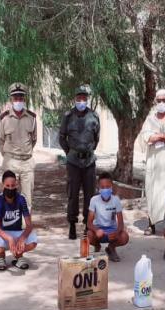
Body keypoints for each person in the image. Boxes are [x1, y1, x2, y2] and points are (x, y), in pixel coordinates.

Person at [59, 84, 100, 239]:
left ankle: (87, 224)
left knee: (90, 195)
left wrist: (88, 150)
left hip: (89, 161)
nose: (81, 100)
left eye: (84, 98)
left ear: (87, 99)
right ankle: (72, 224)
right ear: (75, 99)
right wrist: (70, 152)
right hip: (73, 162)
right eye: (79, 98)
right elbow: (62, 137)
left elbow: (96, 139)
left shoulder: (94, 116)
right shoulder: (68, 116)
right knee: (73, 194)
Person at [140, 89, 165, 236]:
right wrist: (164, 135)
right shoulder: (150, 119)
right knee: (152, 192)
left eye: (164, 100)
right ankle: (151, 224)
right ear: (155, 102)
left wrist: (156, 136)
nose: (162, 103)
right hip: (154, 164)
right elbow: (146, 138)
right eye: (159, 100)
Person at [0, 83, 37, 210]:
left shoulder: (31, 117)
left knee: (27, 198)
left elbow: (34, 139)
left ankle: (26, 227)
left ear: (24, 99)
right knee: (9, 196)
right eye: (15, 98)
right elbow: (0, 140)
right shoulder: (4, 118)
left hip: (27, 162)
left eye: (20, 98)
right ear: (11, 100)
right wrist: (8, 156)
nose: (18, 101)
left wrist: (26, 151)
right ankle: (9, 225)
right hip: (11, 162)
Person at [0, 170, 37, 271]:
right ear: (2, 185)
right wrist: (9, 238)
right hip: (4, 234)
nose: (10, 188)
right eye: (7, 185)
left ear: (16, 185)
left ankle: (18, 256)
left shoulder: (21, 199)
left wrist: (22, 238)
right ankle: (2, 256)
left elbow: (29, 226)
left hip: (17, 233)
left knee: (33, 240)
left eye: (13, 185)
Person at [86, 172, 129, 262]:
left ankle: (111, 248)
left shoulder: (116, 200)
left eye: (107, 186)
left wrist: (117, 233)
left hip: (112, 230)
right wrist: (96, 230)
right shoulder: (94, 200)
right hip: (99, 230)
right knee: (89, 235)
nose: (105, 189)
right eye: (102, 187)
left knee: (124, 237)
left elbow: (120, 223)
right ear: (98, 188)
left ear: (111, 186)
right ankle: (97, 246)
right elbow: (89, 223)